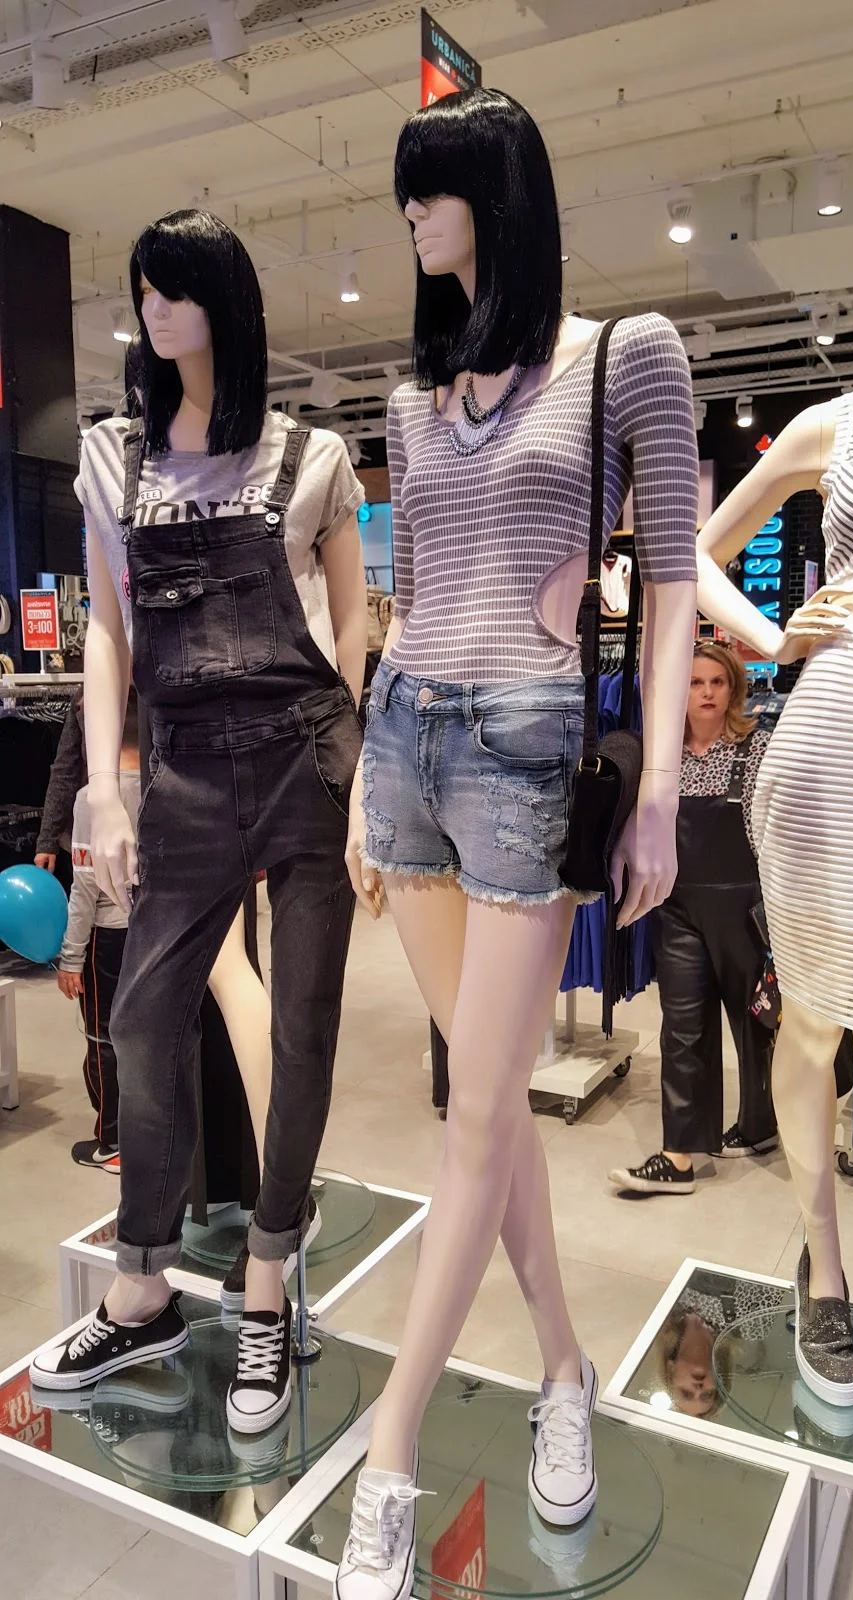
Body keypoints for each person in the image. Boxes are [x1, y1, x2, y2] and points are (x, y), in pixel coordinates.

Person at [335, 89, 699, 1600]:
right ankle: (564, 1365)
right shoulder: (416, 399)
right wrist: (362, 785)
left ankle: (391, 1456)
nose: (413, 219)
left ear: (497, 194)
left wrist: (661, 785)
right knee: (487, 1111)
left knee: (475, 1119)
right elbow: (411, 596)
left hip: (527, 757)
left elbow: (671, 583)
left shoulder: (627, 356)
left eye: (431, 191)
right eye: (407, 197)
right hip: (408, 745)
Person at [30, 209, 368, 1438]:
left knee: (304, 1026)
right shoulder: (113, 460)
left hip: (305, 761)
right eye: (143, 292)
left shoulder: (311, 458)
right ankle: (143, 1287)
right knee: (142, 1011)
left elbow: (353, 619)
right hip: (182, 777)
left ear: (226, 301)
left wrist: (358, 771)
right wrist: (102, 786)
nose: (153, 311)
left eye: (173, 289)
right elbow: (108, 633)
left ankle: (268, 1280)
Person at [692, 205, 853, 1413]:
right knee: (813, 1021)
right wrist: (771, 638)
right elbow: (697, 548)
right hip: (829, 757)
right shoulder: (838, 426)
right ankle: (825, 1269)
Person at [609, 643, 777, 1197]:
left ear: (733, 689)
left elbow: (775, 838)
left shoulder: (756, 749)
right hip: (678, 910)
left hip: (746, 911)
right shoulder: (661, 759)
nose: (706, 693)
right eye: (694, 682)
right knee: (682, 1027)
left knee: (758, 1027)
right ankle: (678, 1155)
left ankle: (761, 1124)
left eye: (717, 682)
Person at [57, 689, 142, 1174]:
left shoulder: (93, 800)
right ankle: (149, 1136)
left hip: (106, 941)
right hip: (153, 933)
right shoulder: (159, 785)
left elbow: (85, 886)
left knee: (102, 1039)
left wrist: (70, 957)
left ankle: (112, 1142)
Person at [34, 688, 86, 876]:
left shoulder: (156, 690)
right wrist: (47, 840)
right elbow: (66, 769)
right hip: (91, 821)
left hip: (152, 813)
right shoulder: (84, 698)